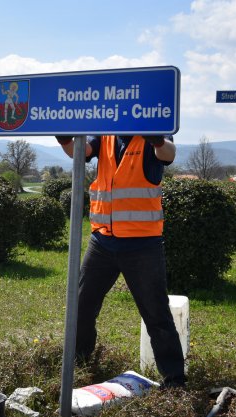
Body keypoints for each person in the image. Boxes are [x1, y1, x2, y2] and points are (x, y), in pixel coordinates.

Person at [56, 133, 186, 388]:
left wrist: (157, 140)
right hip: (103, 241)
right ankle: (80, 365)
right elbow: (79, 152)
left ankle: (175, 381)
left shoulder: (151, 131)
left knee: (156, 313)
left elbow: (168, 153)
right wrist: (64, 140)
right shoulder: (106, 134)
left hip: (142, 244)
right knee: (81, 306)